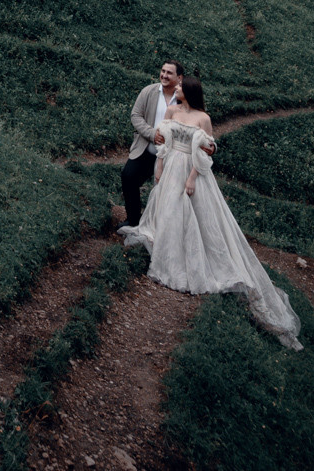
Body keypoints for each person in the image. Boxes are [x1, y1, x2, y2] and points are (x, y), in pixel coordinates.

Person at [119, 75, 302, 350]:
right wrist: (159, 166)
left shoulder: (203, 118)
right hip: (171, 167)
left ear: (189, 91)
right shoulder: (172, 110)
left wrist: (192, 178)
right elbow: (164, 140)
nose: (175, 89)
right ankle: (167, 256)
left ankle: (191, 260)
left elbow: (205, 152)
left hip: (191, 171)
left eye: (180, 87)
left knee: (194, 216)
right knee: (168, 213)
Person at [121, 59, 184, 227]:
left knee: (167, 190)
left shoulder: (184, 98)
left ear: (180, 78)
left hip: (171, 154)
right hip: (146, 149)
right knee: (128, 177)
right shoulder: (149, 91)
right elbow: (135, 115)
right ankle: (133, 220)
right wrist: (151, 134)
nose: (164, 75)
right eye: (163, 71)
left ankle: (162, 227)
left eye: (169, 73)